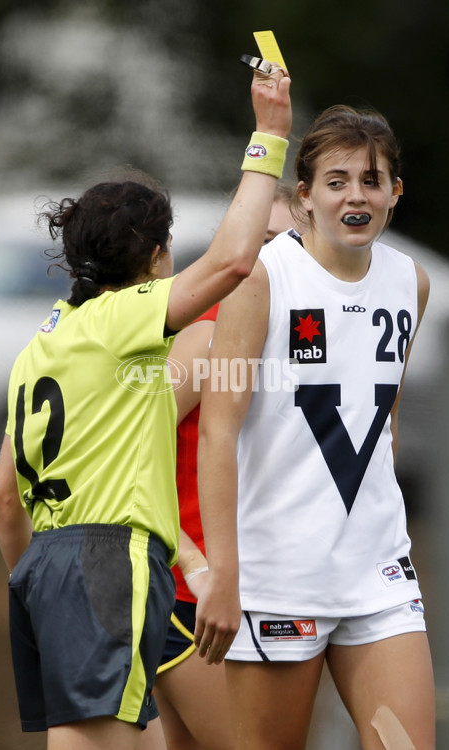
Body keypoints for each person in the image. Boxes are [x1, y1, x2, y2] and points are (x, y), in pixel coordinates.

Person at [0, 61, 291, 750]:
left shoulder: (43, 344)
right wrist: (269, 135)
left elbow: (3, 500)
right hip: (106, 560)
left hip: (50, 563)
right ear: (155, 256)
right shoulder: (124, 320)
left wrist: (39, 585)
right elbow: (233, 263)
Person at [194, 104, 435, 750]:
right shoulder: (263, 279)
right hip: (279, 577)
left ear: (394, 193)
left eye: (371, 179)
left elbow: (384, 418)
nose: (355, 195)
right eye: (336, 181)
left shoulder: (411, 282)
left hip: (379, 573)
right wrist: (223, 573)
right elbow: (217, 433)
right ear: (304, 196)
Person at [147, 185, 301, 750]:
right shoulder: (209, 331)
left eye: (290, 242)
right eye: (260, 242)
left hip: (251, 589)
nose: (275, 257)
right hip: (193, 597)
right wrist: (188, 555)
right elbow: (128, 452)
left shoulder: (292, 338)